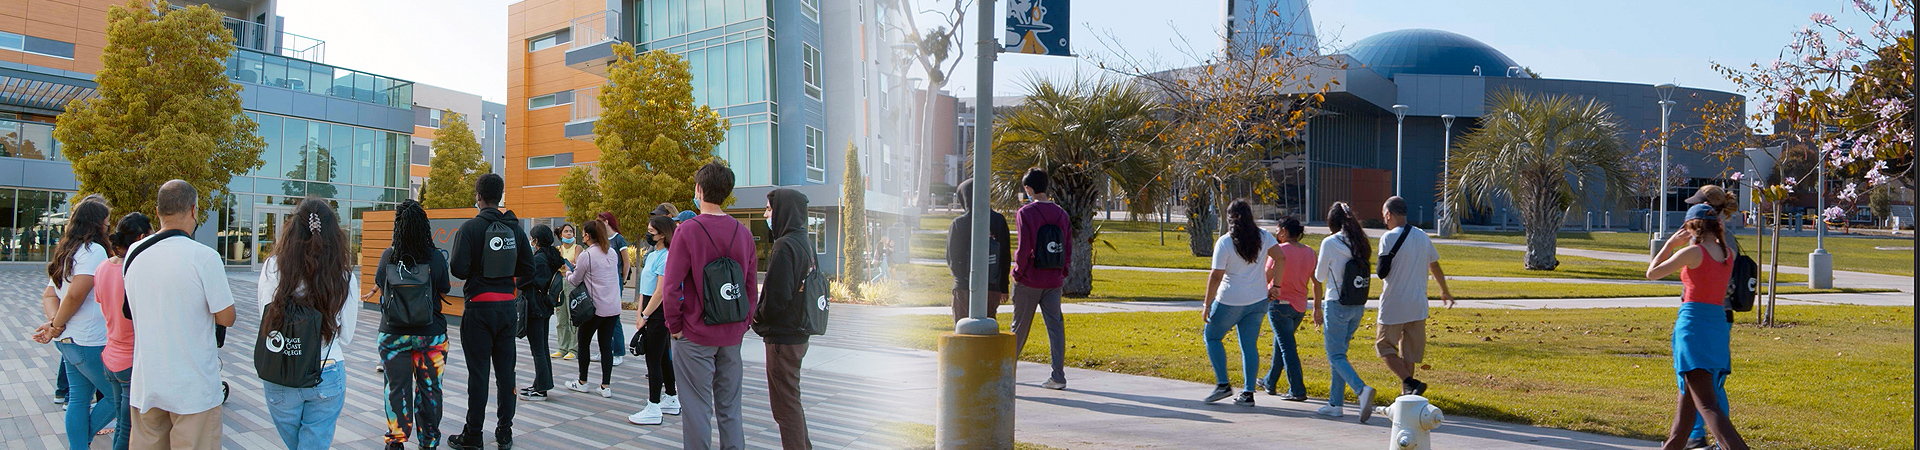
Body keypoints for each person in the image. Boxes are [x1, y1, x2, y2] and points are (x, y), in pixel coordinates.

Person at [124, 180, 237, 449]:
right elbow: (227, 317)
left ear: (158, 211)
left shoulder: (134, 252)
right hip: (193, 388)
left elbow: (130, 309)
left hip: (147, 383)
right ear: (194, 210)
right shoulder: (204, 257)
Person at [662, 162, 760, 449]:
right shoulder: (743, 232)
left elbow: (671, 286)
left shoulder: (687, 231)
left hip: (695, 333)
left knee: (696, 409)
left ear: (699, 190)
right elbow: (750, 285)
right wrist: (744, 323)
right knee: (730, 408)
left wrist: (675, 327)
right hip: (732, 333)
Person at [254, 198, 359, 450]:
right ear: (334, 232)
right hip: (327, 370)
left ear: (292, 229)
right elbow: (346, 337)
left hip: (281, 369)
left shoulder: (272, 268)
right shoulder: (343, 276)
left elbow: (265, 319)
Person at [1647, 204, 1751, 450]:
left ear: (1692, 227)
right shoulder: (1728, 255)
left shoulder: (1693, 253)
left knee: (1707, 404)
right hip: (1716, 327)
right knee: (1687, 405)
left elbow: (1652, 273)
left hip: (1693, 328)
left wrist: (1670, 244)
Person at [446, 173, 534, 450]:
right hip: (507, 309)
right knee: (506, 373)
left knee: (479, 375)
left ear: (478, 196)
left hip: (478, 310)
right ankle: (504, 433)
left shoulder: (470, 229)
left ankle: (473, 435)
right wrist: (508, 284)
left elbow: (458, 269)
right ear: (500, 196)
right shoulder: (516, 231)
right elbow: (529, 271)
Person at [33, 199, 117, 449]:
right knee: (117, 396)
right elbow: (74, 296)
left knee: (80, 399)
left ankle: (79, 445)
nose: (109, 225)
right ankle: (80, 443)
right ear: (97, 223)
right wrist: (55, 326)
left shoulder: (66, 251)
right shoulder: (94, 251)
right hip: (88, 340)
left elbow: (50, 295)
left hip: (68, 342)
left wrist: (54, 326)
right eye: (107, 221)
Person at [368, 199, 452, 450]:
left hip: (393, 335)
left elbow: (382, 286)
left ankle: (396, 440)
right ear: (424, 226)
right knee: (430, 389)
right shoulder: (435, 257)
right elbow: (445, 288)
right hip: (431, 335)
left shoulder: (388, 256)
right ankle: (428, 441)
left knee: (396, 388)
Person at [1675, 185, 1741, 449]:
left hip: (1712, 315)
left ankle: (1719, 439)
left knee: (1711, 385)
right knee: (1693, 385)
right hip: (1703, 315)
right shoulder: (1709, 240)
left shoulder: (1722, 242)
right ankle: (1692, 435)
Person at [754, 189, 817, 449]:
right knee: (792, 399)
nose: (766, 214)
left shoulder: (784, 246)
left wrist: (756, 318)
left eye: (769, 209)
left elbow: (776, 297)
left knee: (784, 406)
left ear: (783, 211)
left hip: (783, 337)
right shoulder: (804, 242)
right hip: (798, 333)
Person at [1374, 196, 1454, 396]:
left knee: (1384, 346)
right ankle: (1407, 395)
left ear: (1388, 214)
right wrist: (1444, 290)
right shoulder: (1422, 236)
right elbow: (1434, 265)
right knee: (1408, 352)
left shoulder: (1388, 237)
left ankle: (1410, 383)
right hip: (1418, 304)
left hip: (1394, 303)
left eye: (1384, 216)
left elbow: (1381, 271)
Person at [1200, 200, 1276, 407]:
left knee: (1212, 336)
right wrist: (1276, 285)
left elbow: (1216, 275)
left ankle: (1223, 384)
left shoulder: (1225, 242)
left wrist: (1207, 304)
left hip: (1230, 300)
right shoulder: (1264, 236)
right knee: (1249, 345)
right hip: (1258, 299)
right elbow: (1281, 257)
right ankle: (1248, 392)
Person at [1313, 202, 1377, 421]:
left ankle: (1361, 390)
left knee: (1335, 355)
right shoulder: (1360, 242)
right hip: (1357, 305)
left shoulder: (1330, 242)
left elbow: (1320, 277)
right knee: (1340, 355)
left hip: (1336, 304)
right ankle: (1335, 404)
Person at [1010, 168, 1072, 390]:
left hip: (1029, 280)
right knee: (1056, 327)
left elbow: (1023, 247)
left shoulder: (1025, 213)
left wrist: (1017, 274)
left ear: (1028, 188)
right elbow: (1068, 246)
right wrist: (1062, 272)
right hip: (1054, 280)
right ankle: (1058, 376)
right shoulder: (1061, 214)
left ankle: (1007, 373)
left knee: (1019, 327)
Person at [95, 212, 152, 450]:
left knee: (122, 425)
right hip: (131, 360)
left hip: (111, 357)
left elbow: (102, 303)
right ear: (140, 237)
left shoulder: (102, 267)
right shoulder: (137, 269)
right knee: (128, 430)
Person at [1257, 216, 1318, 402]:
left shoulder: (1278, 251)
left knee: (1287, 347)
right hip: (1299, 307)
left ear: (1283, 231)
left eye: (1277, 230)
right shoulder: (1310, 252)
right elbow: (1316, 282)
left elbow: (1265, 278)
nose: (1276, 234)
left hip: (1279, 304)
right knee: (1281, 343)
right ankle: (1270, 381)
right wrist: (1317, 307)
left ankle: (1297, 389)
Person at [629, 215, 681, 425]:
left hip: (659, 312)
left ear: (662, 234)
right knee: (661, 357)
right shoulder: (652, 255)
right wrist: (639, 313)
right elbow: (645, 289)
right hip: (649, 308)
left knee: (653, 359)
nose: (648, 235)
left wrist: (646, 315)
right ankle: (671, 396)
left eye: (651, 232)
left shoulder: (667, 256)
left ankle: (653, 406)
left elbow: (660, 291)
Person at [564, 220, 622, 399]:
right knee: (606, 345)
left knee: (584, 342)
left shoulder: (587, 255)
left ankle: (582, 381)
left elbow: (575, 280)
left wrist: (567, 272)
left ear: (587, 236)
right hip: (612, 307)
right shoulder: (611, 252)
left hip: (593, 308)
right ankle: (605, 386)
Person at [945, 178, 1011, 322]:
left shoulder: (958, 224)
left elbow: (952, 258)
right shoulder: (998, 221)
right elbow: (1005, 256)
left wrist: (962, 278)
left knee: (962, 327)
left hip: (963, 286)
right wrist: (1003, 286)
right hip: (991, 285)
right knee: (987, 326)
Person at [518, 224, 564, 402]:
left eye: (532, 238)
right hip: (544, 307)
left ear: (536, 240)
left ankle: (541, 389)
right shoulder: (551, 256)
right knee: (542, 348)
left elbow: (521, 282)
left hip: (534, 308)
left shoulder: (537, 260)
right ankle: (540, 383)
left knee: (538, 349)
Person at [598, 211, 632, 366]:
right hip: (603, 280)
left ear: (606, 222)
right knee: (601, 316)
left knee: (614, 317)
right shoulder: (602, 239)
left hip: (615, 280)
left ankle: (618, 352)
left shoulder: (618, 239)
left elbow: (626, 262)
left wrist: (622, 281)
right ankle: (605, 349)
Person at [553, 223, 582, 360]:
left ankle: (573, 348)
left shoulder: (578, 248)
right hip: (560, 282)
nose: (569, 233)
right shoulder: (558, 249)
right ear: (561, 235)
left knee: (572, 316)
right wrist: (566, 264)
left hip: (572, 283)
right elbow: (557, 264)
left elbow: (576, 262)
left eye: (571, 231)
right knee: (561, 317)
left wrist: (566, 264)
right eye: (566, 231)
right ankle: (562, 347)